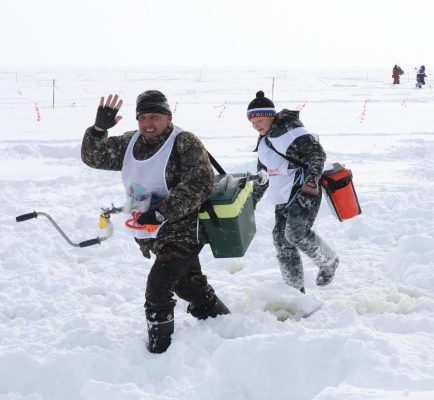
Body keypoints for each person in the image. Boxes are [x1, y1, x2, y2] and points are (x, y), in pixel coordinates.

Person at [81, 91, 230, 354]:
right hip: (152, 232)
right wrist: (98, 130)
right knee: (187, 284)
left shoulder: (184, 142)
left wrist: (161, 212)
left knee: (158, 288)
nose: (149, 123)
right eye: (143, 117)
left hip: (185, 230)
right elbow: (95, 157)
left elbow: (200, 183)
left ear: (169, 117)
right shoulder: (132, 142)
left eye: (156, 117)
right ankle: (224, 323)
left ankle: (159, 353)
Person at [246, 91, 338, 293]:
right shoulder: (263, 141)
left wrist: (312, 182)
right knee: (281, 240)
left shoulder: (292, 131)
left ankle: (328, 260)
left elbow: (317, 155)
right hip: (283, 194)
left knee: (295, 234)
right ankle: (294, 290)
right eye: (252, 123)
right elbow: (264, 174)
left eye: (259, 120)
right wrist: (251, 201)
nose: (256, 126)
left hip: (305, 190)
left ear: (271, 115)